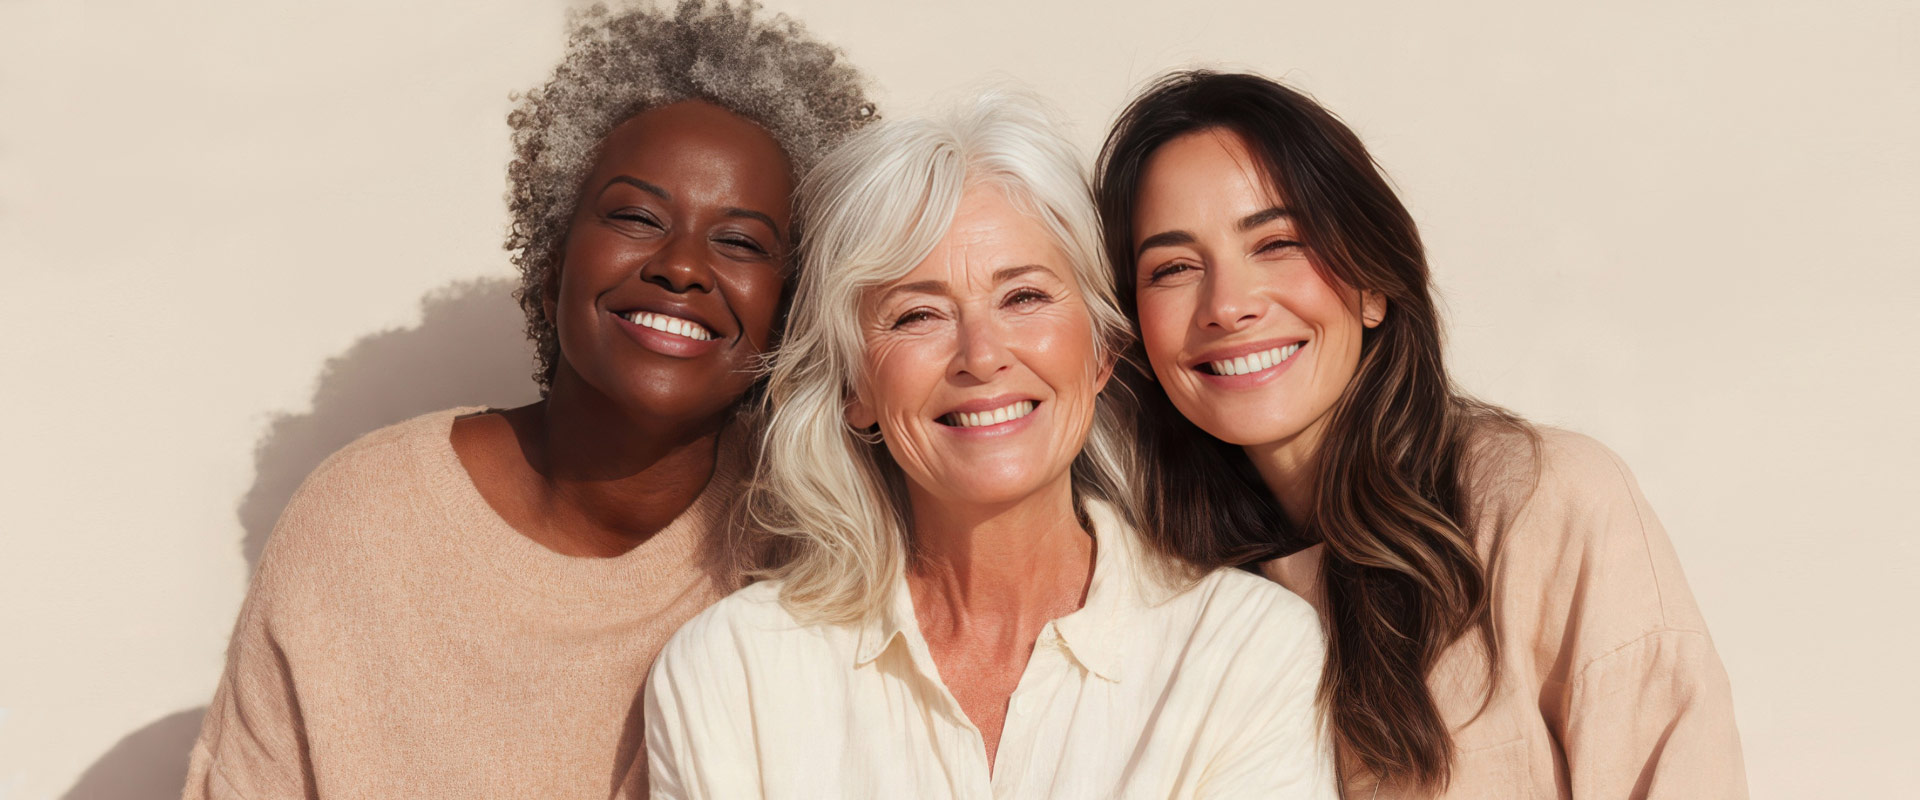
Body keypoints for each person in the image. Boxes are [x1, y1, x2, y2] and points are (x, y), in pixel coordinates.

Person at [181, 3, 874, 797]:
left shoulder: (821, 534)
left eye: (742, 242)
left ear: (790, 312)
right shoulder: (361, 521)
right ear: (551, 272)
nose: (682, 266)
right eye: (637, 217)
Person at [642, 91, 1338, 798]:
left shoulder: (1247, 650)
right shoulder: (732, 672)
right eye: (917, 314)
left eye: (1025, 298)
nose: (981, 356)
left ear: (1102, 351)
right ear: (856, 388)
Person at [1094, 70, 1747, 798]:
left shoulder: (1543, 502)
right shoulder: (1152, 580)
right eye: (1174, 267)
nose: (1229, 305)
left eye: (1277, 243)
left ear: (1372, 283)